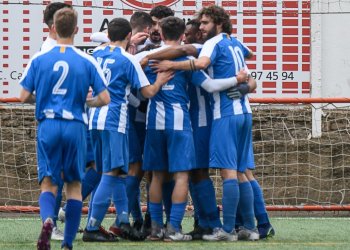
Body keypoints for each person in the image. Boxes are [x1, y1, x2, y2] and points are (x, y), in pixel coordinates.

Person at [135, 16, 248, 242]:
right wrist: (237, 79)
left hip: (153, 121)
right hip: (179, 121)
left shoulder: (146, 59)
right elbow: (210, 85)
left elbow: (137, 88)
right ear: (182, 34)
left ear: (161, 32)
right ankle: (174, 228)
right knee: (182, 175)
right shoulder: (188, 59)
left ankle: (156, 228)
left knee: (156, 176)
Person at [19, 8, 110, 250]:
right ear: (76, 31)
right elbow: (105, 98)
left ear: (53, 29)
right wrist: (86, 102)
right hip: (75, 126)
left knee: (48, 183)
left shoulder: (40, 58)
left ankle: (48, 219)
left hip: (48, 124)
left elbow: (23, 95)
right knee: (74, 186)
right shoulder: (86, 59)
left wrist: (43, 102)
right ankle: (68, 244)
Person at [82, 17, 173, 242]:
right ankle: (92, 227)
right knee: (111, 174)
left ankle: (122, 221)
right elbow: (147, 93)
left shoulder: (97, 54)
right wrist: (160, 80)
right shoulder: (128, 60)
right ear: (128, 37)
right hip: (115, 121)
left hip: (94, 120)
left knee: (119, 174)